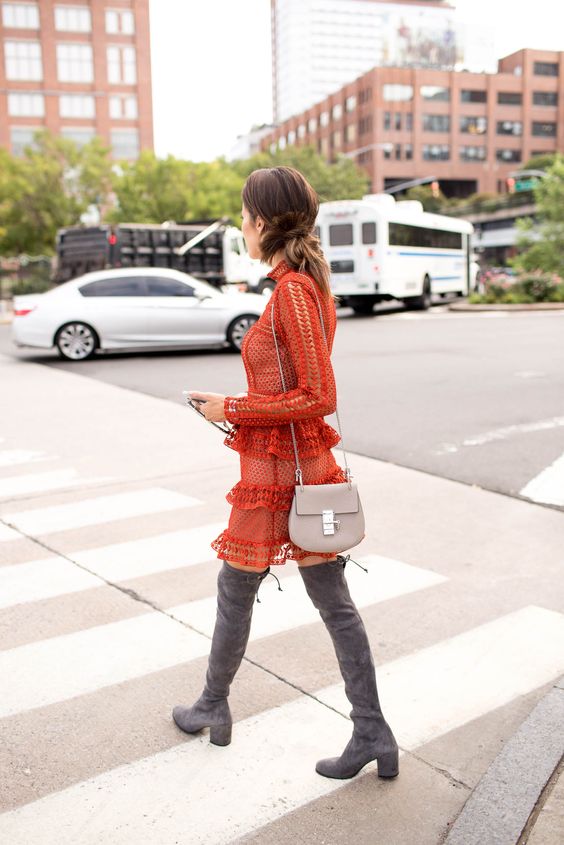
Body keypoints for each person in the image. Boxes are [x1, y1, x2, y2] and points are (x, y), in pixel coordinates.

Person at [172, 166, 399, 781]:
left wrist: (233, 408)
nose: (242, 224)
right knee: (329, 603)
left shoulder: (294, 290)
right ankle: (371, 731)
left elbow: (318, 394)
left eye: (244, 214)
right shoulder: (299, 286)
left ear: (264, 221)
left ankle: (213, 706)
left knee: (242, 594)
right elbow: (294, 384)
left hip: (283, 473)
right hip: (292, 466)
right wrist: (233, 404)